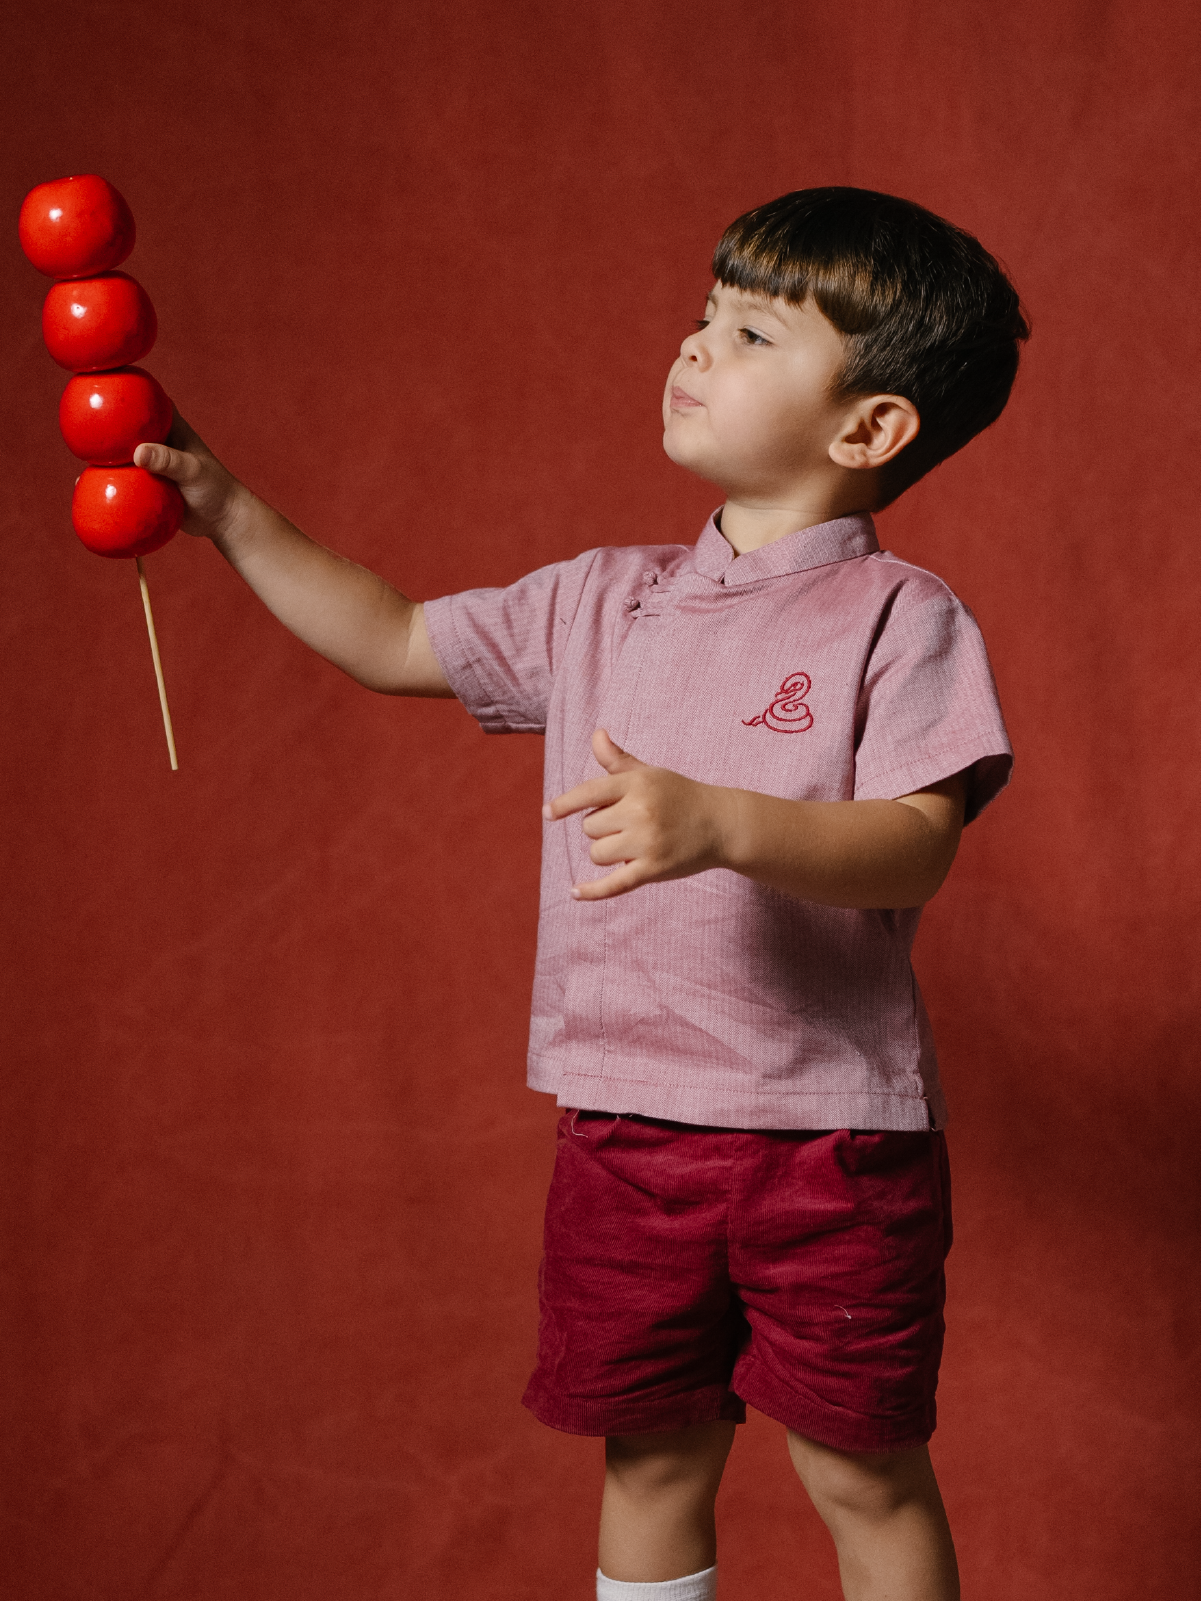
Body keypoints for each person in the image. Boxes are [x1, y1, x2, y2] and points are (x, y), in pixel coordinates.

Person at [136, 186, 1027, 1601]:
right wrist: (231, 513)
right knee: (652, 1455)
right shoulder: (600, 600)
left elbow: (920, 842)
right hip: (623, 1126)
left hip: (832, 1139)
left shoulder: (900, 618)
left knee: (861, 1470)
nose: (694, 345)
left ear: (869, 428)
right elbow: (394, 637)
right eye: (703, 313)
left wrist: (730, 821)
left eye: (749, 333)